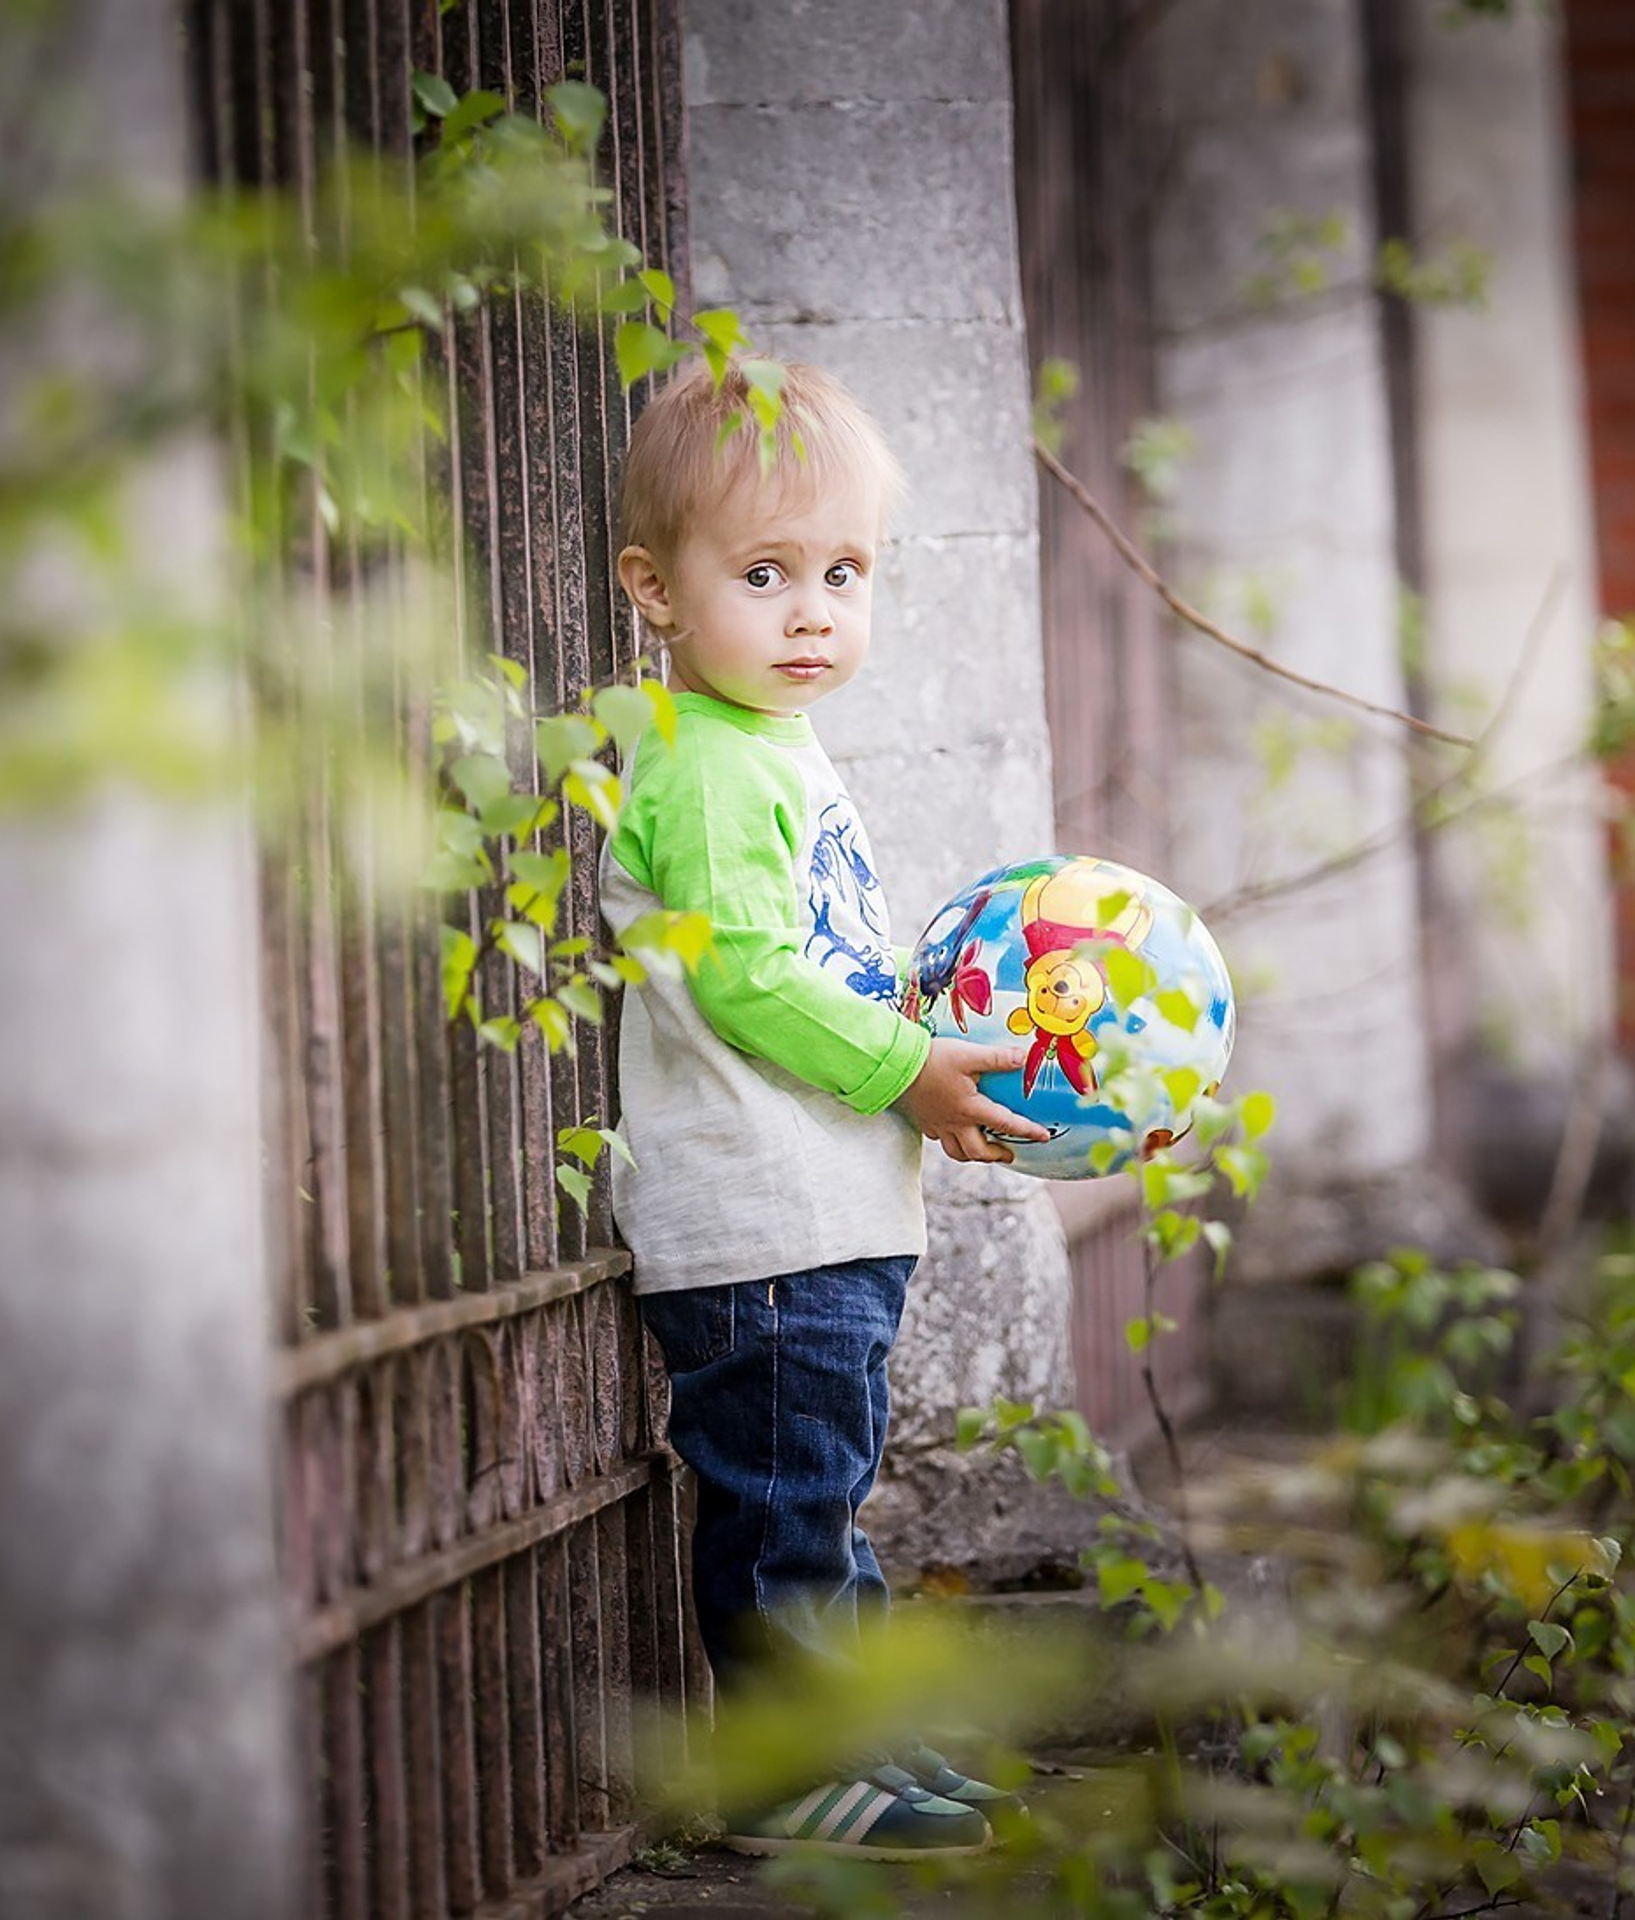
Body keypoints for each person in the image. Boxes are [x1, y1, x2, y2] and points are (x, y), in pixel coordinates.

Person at [601, 359, 1045, 1859]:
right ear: (655, 591)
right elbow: (744, 979)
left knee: (827, 1498)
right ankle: (793, 1769)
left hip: (814, 1204)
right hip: (756, 1216)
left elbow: (817, 961)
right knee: (787, 1504)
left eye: (843, 574)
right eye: (767, 573)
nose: (812, 612)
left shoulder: (765, 743)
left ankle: (858, 1737)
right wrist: (904, 1069)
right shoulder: (708, 764)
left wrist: (921, 1052)